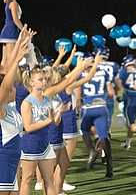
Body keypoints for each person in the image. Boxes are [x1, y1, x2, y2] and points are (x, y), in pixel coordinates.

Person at [19, 50, 89, 195]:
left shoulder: (46, 98)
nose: (44, 81)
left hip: (46, 144)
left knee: (48, 179)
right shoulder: (28, 102)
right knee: (27, 178)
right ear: (32, 82)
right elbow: (28, 127)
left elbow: (65, 82)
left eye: (44, 79)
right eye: (40, 80)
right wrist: (49, 120)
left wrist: (57, 115)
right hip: (30, 144)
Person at [0, 26, 31, 195]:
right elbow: (5, 83)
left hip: (12, 161)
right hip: (3, 161)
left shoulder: (10, 107)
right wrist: (18, 56)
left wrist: (20, 42)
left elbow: (8, 69)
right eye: (11, 87)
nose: (14, 88)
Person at [1, 0, 24, 72]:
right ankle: (8, 84)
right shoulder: (13, 3)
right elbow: (15, 20)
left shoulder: (8, 2)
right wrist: (24, 30)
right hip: (11, 33)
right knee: (11, 61)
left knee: (4, 61)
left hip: (6, 33)